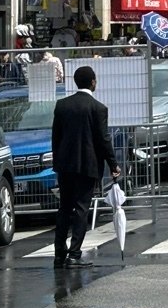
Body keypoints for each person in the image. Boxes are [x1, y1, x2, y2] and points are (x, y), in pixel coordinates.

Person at [51, 66, 120, 268]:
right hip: (88, 165)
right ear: (93, 82)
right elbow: (103, 140)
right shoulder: (98, 108)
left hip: (65, 165)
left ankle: (59, 254)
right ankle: (74, 254)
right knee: (81, 208)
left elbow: (56, 136)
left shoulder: (62, 105)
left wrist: (58, 162)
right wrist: (113, 164)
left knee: (64, 207)